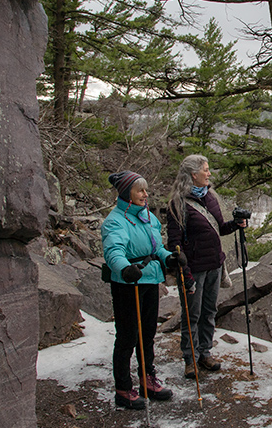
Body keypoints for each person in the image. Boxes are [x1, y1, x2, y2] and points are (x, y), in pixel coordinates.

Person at [101, 170, 180, 410]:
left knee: (147, 334)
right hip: (128, 284)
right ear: (127, 194)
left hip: (149, 281)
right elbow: (113, 250)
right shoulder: (115, 221)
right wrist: (124, 268)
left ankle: (147, 379)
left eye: (145, 190)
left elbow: (157, 248)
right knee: (127, 336)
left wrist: (170, 259)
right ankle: (123, 388)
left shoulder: (148, 217)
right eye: (140, 190)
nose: (146, 194)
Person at [166, 154, 246, 379]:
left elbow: (219, 228)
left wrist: (235, 225)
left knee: (209, 312)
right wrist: (185, 273)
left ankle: (204, 352)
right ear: (194, 174)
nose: (209, 173)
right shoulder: (178, 203)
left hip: (214, 265)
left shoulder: (210, 197)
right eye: (206, 170)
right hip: (193, 268)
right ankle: (190, 359)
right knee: (192, 315)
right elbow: (175, 243)